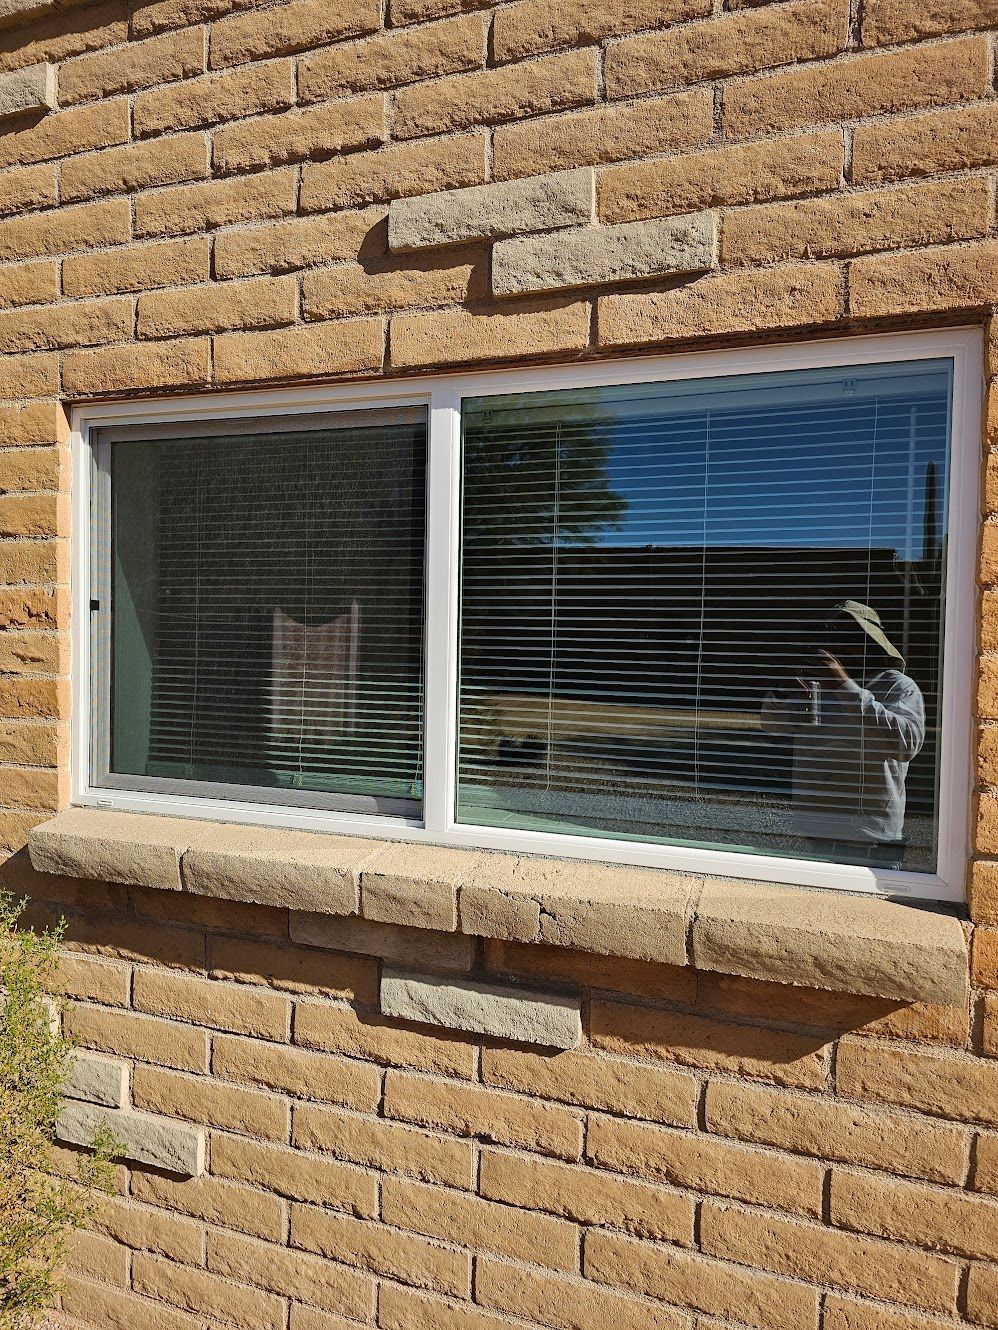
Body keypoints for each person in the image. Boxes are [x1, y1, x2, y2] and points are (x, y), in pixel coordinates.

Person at [760, 601, 926, 870]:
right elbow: (772, 725)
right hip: (817, 836)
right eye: (833, 637)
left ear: (870, 641)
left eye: (848, 637)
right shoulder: (819, 686)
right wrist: (782, 690)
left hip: (871, 842)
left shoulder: (897, 685)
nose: (838, 646)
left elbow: (906, 744)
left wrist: (844, 686)